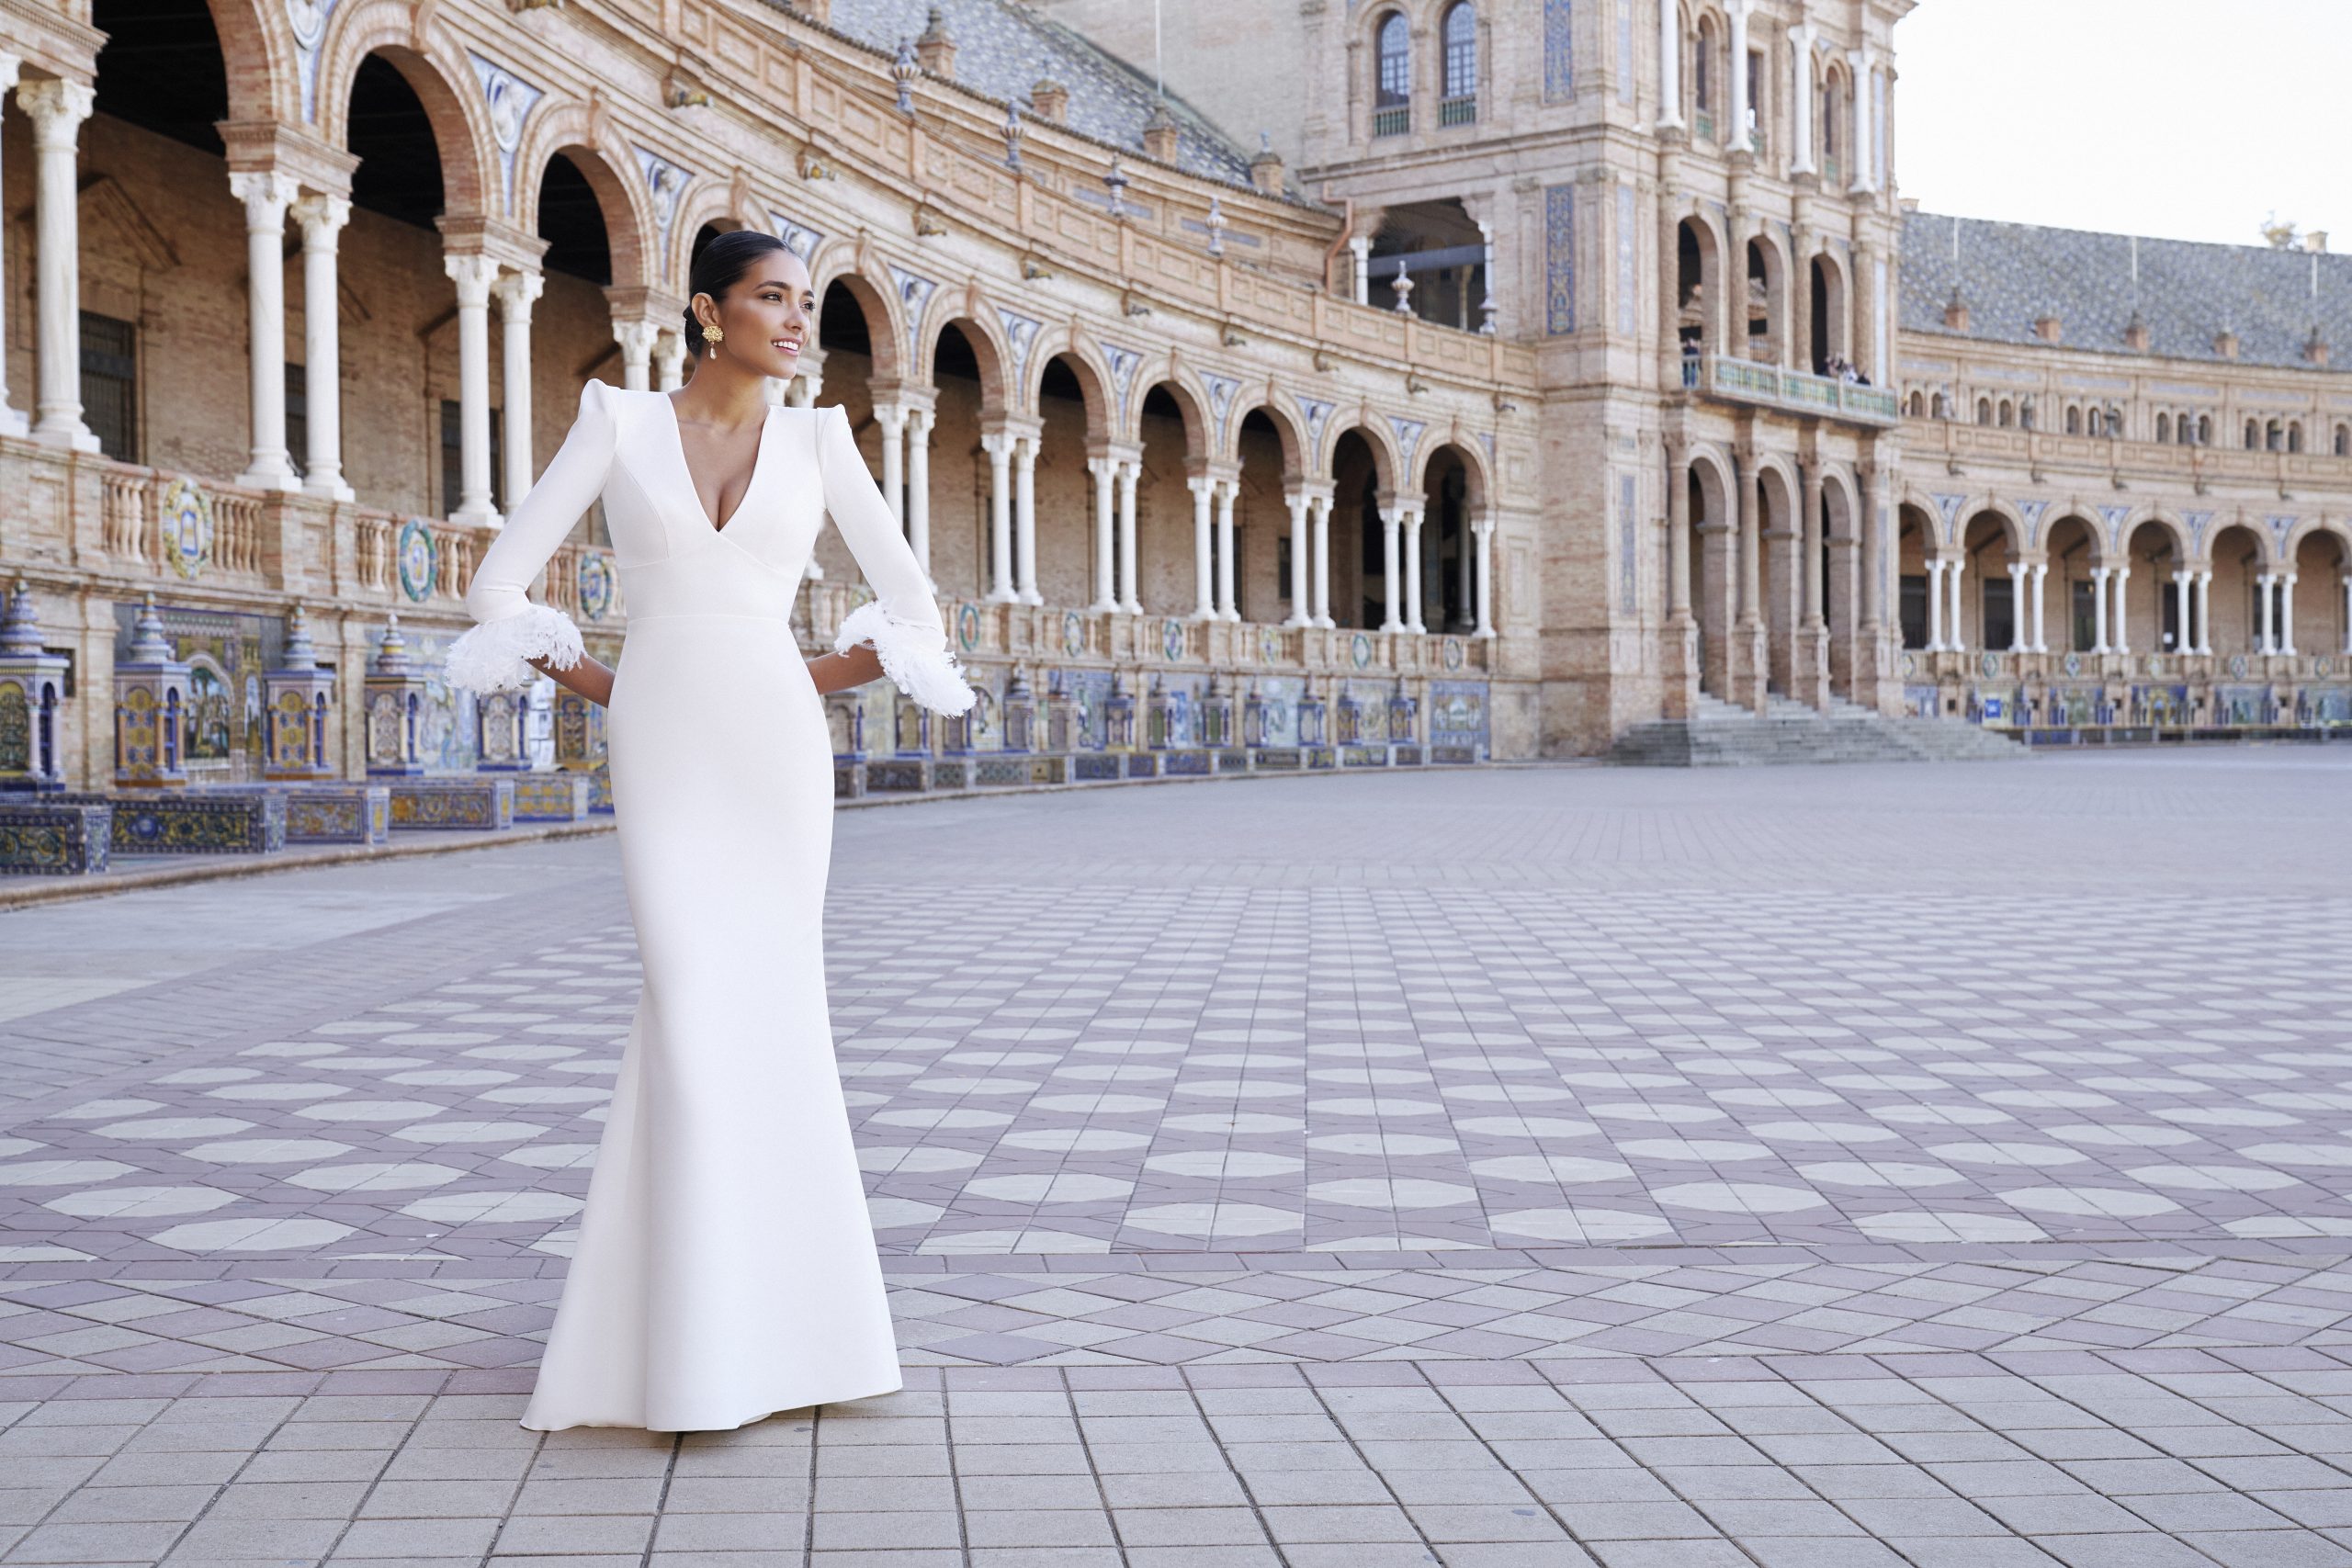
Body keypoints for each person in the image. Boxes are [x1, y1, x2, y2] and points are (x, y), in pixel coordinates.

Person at [445, 230, 974, 1433]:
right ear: (706, 309)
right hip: (666, 739)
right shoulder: (616, 424)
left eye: (808, 304)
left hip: (778, 745)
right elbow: (496, 588)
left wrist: (809, 673)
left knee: (775, 1013)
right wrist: (609, 688)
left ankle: (795, 1339)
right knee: (687, 1008)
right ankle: (684, 1347)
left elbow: (914, 608)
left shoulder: (820, 439)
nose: (798, 323)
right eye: (772, 299)